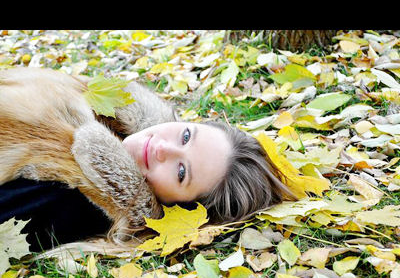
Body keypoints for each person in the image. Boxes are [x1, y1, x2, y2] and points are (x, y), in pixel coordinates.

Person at [0, 67, 292, 253]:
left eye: (181, 172)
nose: (163, 148)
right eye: (186, 136)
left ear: (176, 208)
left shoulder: (69, 198)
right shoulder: (105, 108)